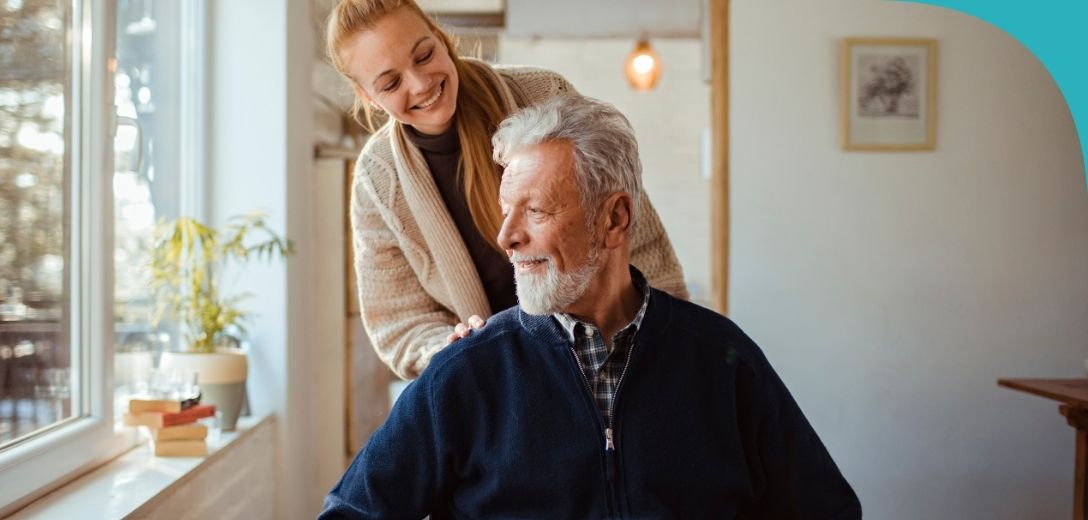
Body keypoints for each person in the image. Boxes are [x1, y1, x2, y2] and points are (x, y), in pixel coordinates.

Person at [318, 95, 861, 519]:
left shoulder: (724, 359)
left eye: (535, 210)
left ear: (615, 219)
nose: (506, 236)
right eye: (506, 210)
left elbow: (827, 511)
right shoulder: (464, 374)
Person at [325, 0, 688, 380]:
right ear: (368, 96)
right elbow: (399, 321)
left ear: (440, 37)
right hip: (495, 382)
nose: (420, 84)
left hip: (610, 356)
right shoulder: (376, 178)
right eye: (390, 83)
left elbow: (633, 234)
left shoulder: (545, 94)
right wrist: (449, 345)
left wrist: (669, 339)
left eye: (424, 54)